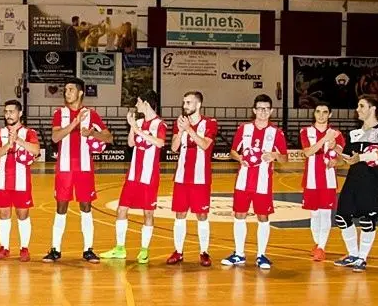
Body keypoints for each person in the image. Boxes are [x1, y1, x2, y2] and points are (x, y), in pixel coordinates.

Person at [43, 77, 112, 263]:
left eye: (71, 89)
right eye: (65, 90)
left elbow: (109, 138)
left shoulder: (92, 114)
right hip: (64, 167)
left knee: (86, 207)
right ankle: (55, 249)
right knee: (61, 207)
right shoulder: (60, 113)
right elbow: (55, 138)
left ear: (80, 92)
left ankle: (88, 249)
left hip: (84, 168)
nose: (67, 93)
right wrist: (75, 123)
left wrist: (92, 133)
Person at [222, 94, 287, 270]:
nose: (263, 112)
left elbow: (284, 158)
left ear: (271, 111)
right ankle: (239, 254)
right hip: (243, 180)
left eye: (266, 109)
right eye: (259, 108)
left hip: (263, 182)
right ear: (254, 110)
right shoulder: (244, 129)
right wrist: (240, 158)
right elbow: (233, 151)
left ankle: (261, 255)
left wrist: (274, 155)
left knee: (263, 217)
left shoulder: (276, 133)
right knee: (239, 215)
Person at [101, 90, 166, 263]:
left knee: (148, 213)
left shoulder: (160, 124)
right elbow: (131, 143)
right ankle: (120, 248)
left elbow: (160, 143)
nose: (136, 105)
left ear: (146, 103)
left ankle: (144, 250)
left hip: (149, 176)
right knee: (121, 209)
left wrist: (138, 130)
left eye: (138, 102)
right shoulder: (138, 122)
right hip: (133, 176)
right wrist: (132, 126)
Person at [334, 95, 378, 272]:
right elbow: (346, 159)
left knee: (368, 221)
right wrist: (334, 149)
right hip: (352, 182)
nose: (357, 110)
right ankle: (353, 254)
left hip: (372, 184)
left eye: (361, 106)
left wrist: (362, 157)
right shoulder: (354, 133)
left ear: (372, 108)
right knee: (342, 217)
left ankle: (362, 258)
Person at [166, 91, 216, 267]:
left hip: (201, 177)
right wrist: (180, 131)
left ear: (198, 104)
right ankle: (178, 251)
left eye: (188, 102)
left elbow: (205, 145)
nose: (185, 105)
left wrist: (188, 129)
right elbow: (174, 148)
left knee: (202, 215)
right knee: (180, 214)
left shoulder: (209, 123)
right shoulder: (179, 123)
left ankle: (204, 252)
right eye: (184, 102)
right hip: (181, 176)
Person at [0, 100, 39, 262]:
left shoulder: (29, 132)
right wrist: (9, 144)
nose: (8, 115)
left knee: (22, 215)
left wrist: (18, 140)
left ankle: (24, 248)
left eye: (11, 112)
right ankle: (4, 247)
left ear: (20, 113)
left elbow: (36, 150)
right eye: (6, 112)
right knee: (3, 214)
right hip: (2, 180)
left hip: (22, 181)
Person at [300, 102, 345, 262]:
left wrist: (336, 159)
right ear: (314, 114)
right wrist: (324, 139)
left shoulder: (337, 134)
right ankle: (318, 243)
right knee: (314, 214)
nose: (321, 115)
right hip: (311, 180)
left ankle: (321, 248)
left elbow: (342, 159)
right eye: (318, 111)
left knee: (325, 214)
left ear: (330, 114)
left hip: (329, 181)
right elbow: (308, 152)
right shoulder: (306, 131)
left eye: (325, 112)